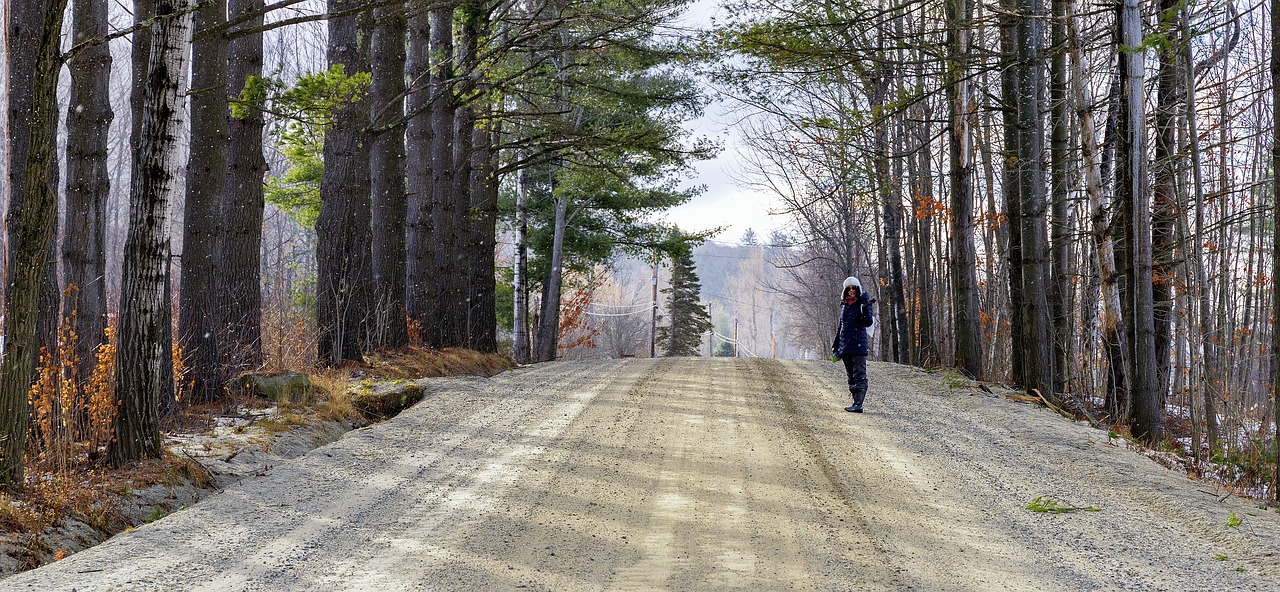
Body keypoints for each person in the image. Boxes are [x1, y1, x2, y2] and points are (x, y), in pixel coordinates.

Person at [831, 276, 875, 412]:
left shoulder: (862, 305)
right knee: (850, 375)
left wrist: (867, 308)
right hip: (845, 347)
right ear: (845, 290)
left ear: (857, 289)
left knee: (859, 374)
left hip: (858, 346)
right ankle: (855, 402)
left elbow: (868, 323)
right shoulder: (845, 306)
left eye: (853, 288)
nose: (851, 291)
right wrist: (836, 343)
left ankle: (858, 404)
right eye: (848, 288)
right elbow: (841, 326)